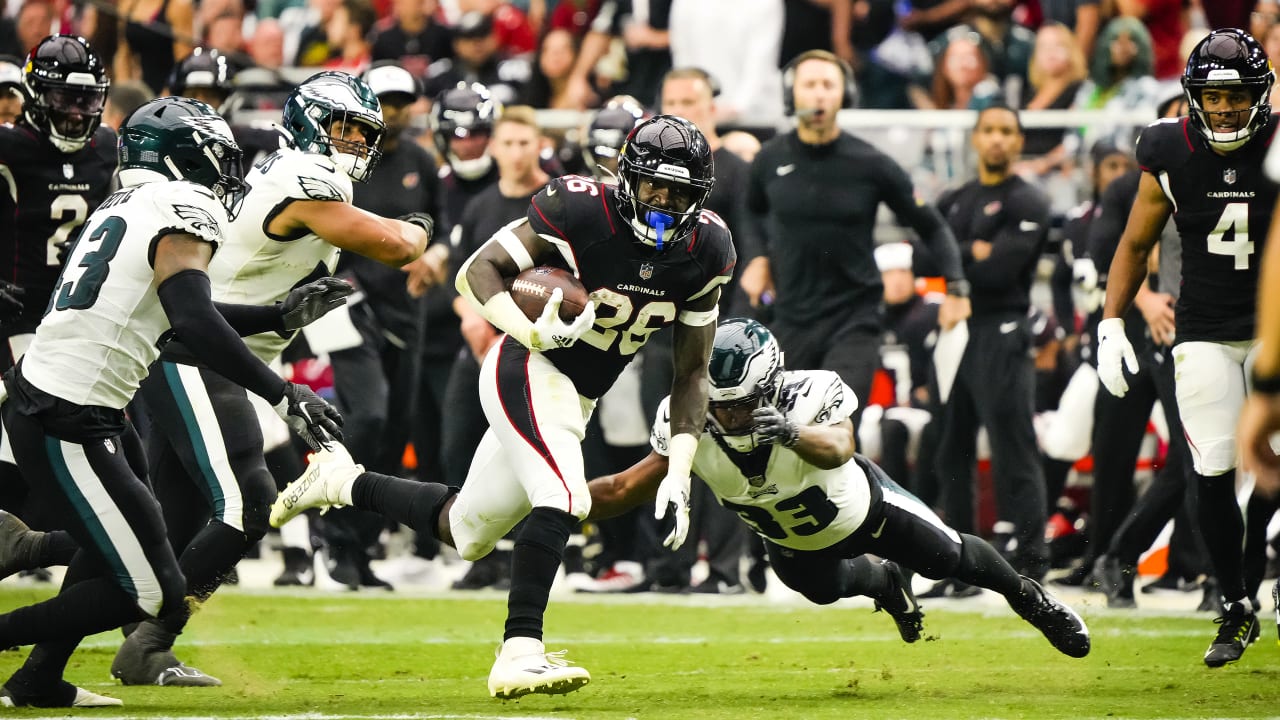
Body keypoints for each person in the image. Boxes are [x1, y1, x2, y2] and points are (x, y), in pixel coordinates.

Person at [272, 114, 736, 698]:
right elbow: (477, 271)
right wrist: (532, 330)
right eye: (653, 189)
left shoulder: (708, 248)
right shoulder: (579, 209)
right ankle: (521, 650)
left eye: (680, 194)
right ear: (628, 179)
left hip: (579, 395)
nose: (665, 205)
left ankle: (340, 482)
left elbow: (692, 369)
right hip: (528, 364)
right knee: (563, 496)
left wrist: (680, 462)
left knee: (467, 531)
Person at [0, 96, 342, 708]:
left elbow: (172, 315)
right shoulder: (182, 207)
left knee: (130, 540)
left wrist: (273, 314)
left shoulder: (131, 201)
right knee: (149, 592)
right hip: (67, 415)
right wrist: (285, 392)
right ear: (185, 156)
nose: (227, 173)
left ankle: (37, 673)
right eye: (218, 157)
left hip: (73, 401)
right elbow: (190, 319)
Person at [108, 71, 433, 686]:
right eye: (344, 128)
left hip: (209, 348)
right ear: (310, 122)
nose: (356, 144)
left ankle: (80, 644)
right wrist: (422, 225)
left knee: (160, 520)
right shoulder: (302, 178)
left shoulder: (289, 171)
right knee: (250, 498)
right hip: (198, 350)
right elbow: (396, 247)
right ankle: (149, 639)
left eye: (365, 133)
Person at [586, 318, 1090, 659]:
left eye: (738, 405)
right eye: (717, 405)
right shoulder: (687, 418)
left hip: (866, 509)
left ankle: (1029, 597)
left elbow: (841, 446)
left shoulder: (809, 393)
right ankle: (888, 584)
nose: (726, 416)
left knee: (948, 557)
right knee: (825, 592)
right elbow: (625, 486)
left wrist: (791, 432)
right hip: (791, 541)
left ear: (770, 386)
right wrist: (555, 504)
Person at [1097, 28, 1278, 668]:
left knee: (1275, 470)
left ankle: (1262, 568)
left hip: (1273, 329)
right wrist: (1111, 322)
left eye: (1237, 94)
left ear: (1260, 93)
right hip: (1202, 329)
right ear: (1192, 96)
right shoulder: (1167, 147)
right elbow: (1134, 243)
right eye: (1213, 95)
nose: (1225, 107)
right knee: (1211, 468)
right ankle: (1234, 604)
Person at [741, 49, 970, 441]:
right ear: (790, 94)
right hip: (791, 318)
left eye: (828, 85)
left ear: (844, 95)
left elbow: (931, 225)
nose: (819, 95)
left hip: (854, 320)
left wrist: (957, 286)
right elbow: (748, 213)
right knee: (774, 437)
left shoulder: (871, 163)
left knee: (837, 430)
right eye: (809, 85)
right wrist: (757, 257)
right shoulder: (769, 159)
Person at [929, 103, 1053, 592]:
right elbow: (923, 252)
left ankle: (1031, 556)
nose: (998, 139)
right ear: (975, 138)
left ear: (1019, 141)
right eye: (989, 130)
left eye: (1007, 131)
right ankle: (958, 563)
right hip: (957, 329)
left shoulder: (1030, 200)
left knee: (1011, 445)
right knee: (949, 445)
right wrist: (971, 252)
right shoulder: (956, 197)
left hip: (1002, 327)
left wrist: (957, 256)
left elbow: (1001, 270)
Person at [0, 36, 115, 371]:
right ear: (35, 94)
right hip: (17, 318)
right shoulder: (9, 147)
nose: (78, 114)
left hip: (81, 317)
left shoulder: (106, 146)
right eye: (65, 99)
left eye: (87, 100)